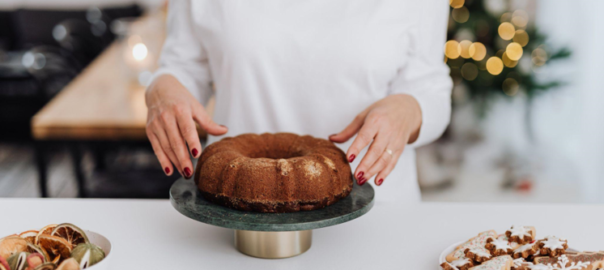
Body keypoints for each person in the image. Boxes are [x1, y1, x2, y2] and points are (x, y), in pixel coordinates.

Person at [145, 0, 452, 203]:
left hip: (375, 215)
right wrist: (162, 87)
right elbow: (184, 65)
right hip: (233, 213)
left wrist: (408, 108)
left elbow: (429, 86)